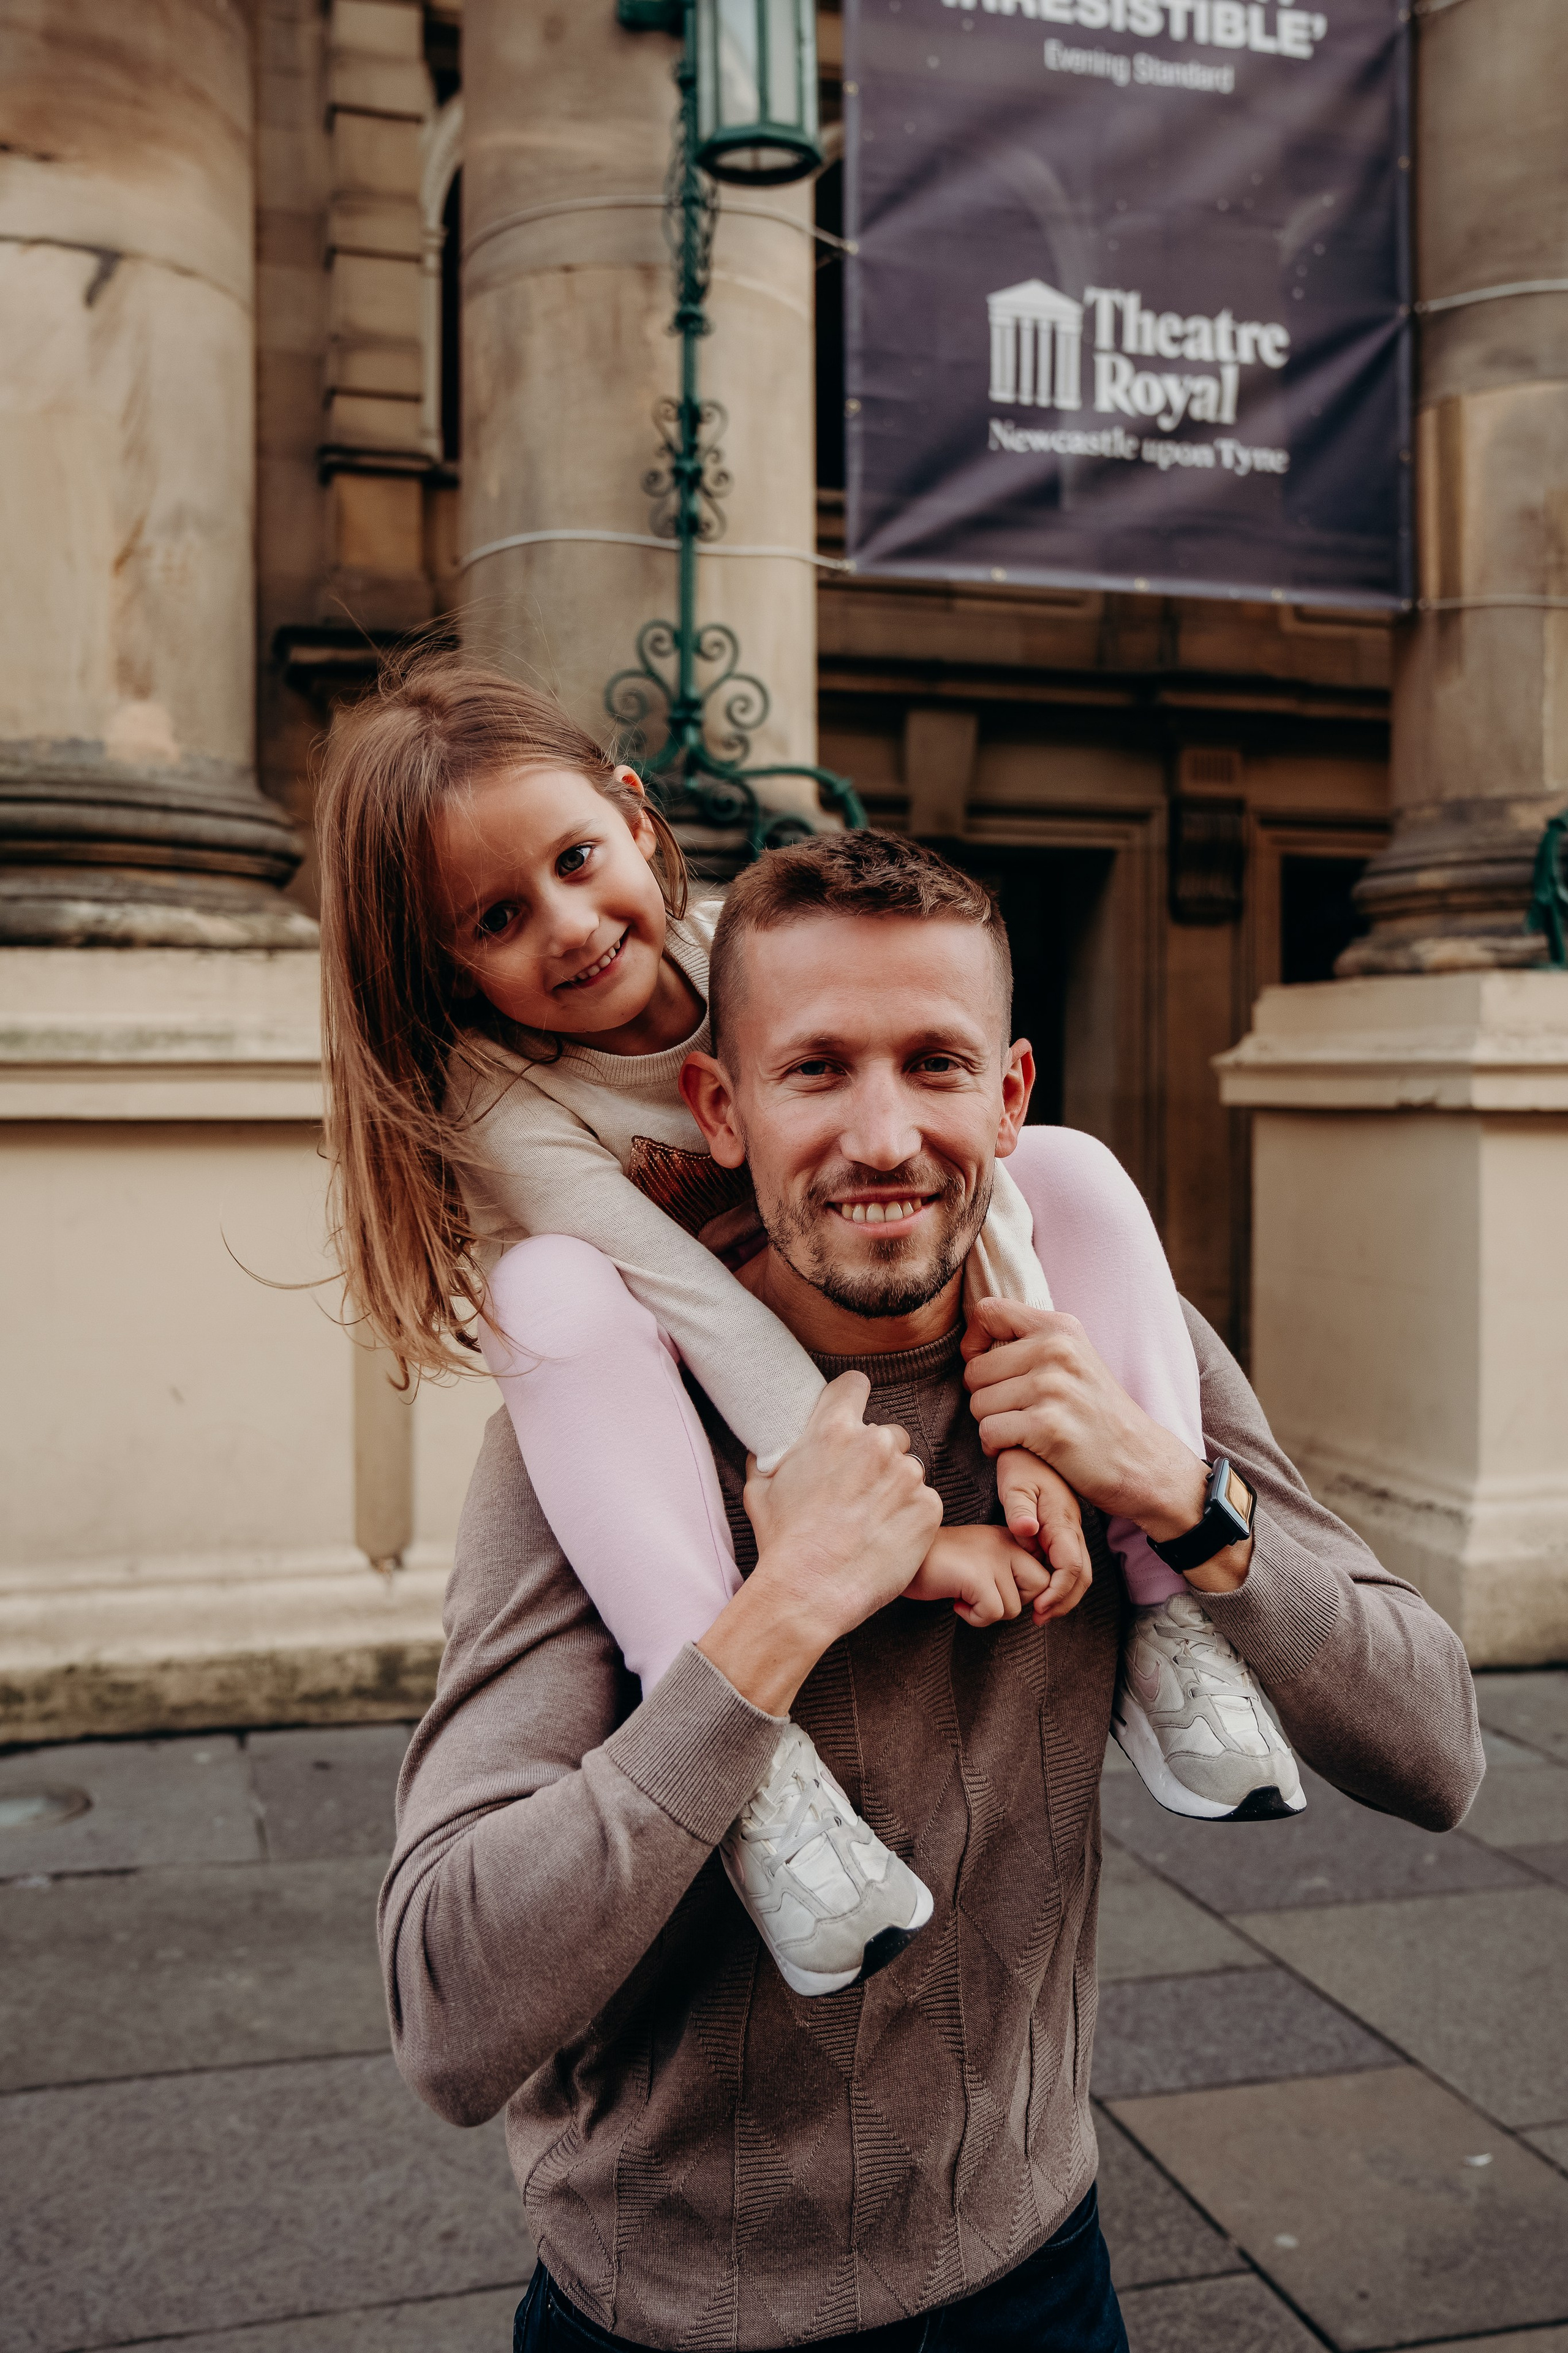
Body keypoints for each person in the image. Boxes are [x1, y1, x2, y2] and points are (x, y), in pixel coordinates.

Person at [378, 832, 1483, 2351]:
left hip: (1035, 2265)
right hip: (666, 2314)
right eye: (817, 1069)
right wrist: (773, 1618)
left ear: (1010, 1094)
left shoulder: (1112, 1343)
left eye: (934, 1064)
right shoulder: (591, 1440)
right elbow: (446, 2014)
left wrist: (1185, 1500)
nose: (884, 1135)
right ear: (722, 1104)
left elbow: (1436, 1756)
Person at [317, 659, 1304, 1994]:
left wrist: (1028, 1437)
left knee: (1065, 1165)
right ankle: (758, 1780)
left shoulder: (750, 953)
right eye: (496, 916)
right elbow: (691, 1307)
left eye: (574, 857)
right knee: (541, 1295)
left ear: (634, 814)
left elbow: (984, 1179)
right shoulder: (501, 1097)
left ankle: (1159, 1607)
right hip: (684, 1385)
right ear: (436, 959)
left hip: (893, 1299)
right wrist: (898, 1534)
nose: (566, 924)